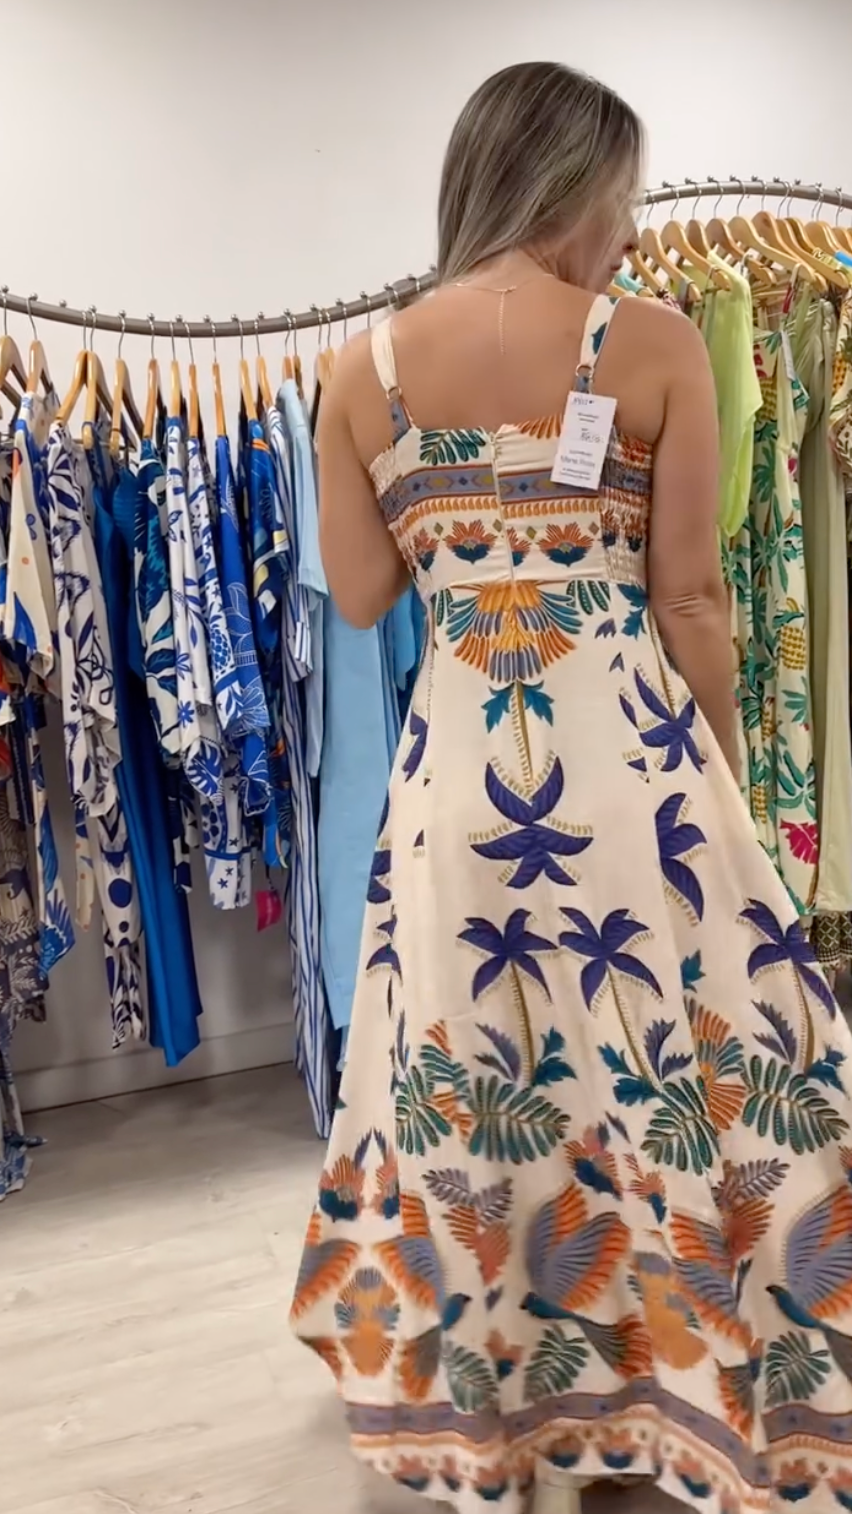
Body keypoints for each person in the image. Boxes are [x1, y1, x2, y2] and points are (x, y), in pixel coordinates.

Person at [290, 61, 852, 1515]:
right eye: (625, 193)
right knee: (678, 1059)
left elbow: (359, 592)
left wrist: (455, 519)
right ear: (576, 183)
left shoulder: (361, 369)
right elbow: (694, 597)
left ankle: (507, 1395)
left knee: (477, 1076)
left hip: (459, 780)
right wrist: (721, 770)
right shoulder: (649, 341)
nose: (633, 224)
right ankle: (690, 1370)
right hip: (626, 765)